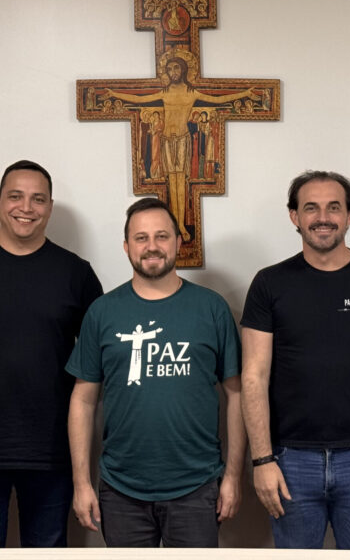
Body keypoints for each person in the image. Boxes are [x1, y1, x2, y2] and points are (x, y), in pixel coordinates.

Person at [241, 170, 350, 549]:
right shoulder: (269, 283)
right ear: (294, 216)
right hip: (289, 460)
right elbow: (253, 376)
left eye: (334, 207)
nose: (323, 217)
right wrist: (262, 460)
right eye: (311, 208)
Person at [0, 160, 103, 548]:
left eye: (38, 199)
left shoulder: (76, 273)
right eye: (15, 196)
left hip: (53, 451)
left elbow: (97, 363)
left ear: (50, 207)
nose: (26, 207)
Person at [66, 198, 245, 547]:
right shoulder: (102, 312)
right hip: (121, 489)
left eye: (162, 236)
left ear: (178, 242)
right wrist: (81, 483)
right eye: (141, 237)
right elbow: (83, 401)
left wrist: (234, 476)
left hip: (197, 486)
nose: (152, 246)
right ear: (126, 246)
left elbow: (237, 394)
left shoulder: (212, 309)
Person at [103, 55, 259, 240]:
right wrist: (114, 94)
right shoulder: (165, 92)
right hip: (166, 141)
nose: (173, 72)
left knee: (181, 185)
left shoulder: (191, 93)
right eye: (169, 69)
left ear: (183, 70)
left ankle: (182, 226)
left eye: (176, 68)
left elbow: (218, 100)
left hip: (183, 140)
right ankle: (175, 226)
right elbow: (138, 99)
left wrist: (244, 93)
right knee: (172, 183)